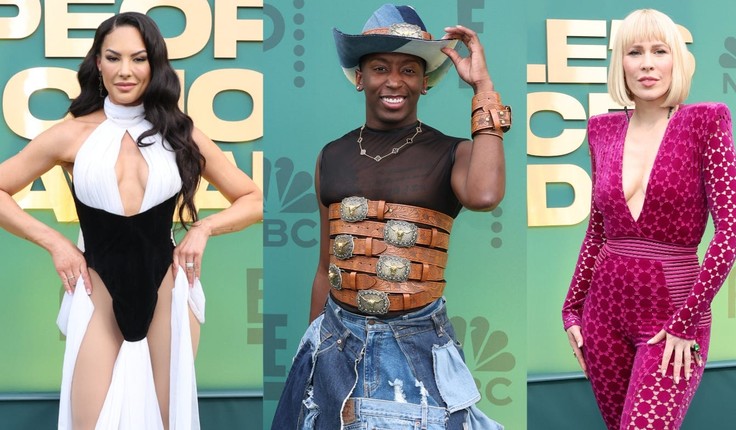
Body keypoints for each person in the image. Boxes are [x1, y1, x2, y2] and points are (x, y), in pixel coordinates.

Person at [0, 12, 262, 430]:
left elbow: (253, 198)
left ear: (154, 65)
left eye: (138, 59)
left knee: (167, 421)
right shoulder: (71, 135)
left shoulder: (181, 134)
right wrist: (57, 243)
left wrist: (202, 229)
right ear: (97, 64)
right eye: (113, 57)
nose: (125, 70)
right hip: (97, 286)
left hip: (170, 288)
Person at [272, 4, 510, 429]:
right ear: (360, 78)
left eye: (409, 70)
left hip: (416, 344)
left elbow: (486, 194)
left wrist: (483, 89)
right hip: (337, 341)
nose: (394, 81)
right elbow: (326, 268)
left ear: (425, 82)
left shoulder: (453, 152)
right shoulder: (332, 155)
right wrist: (314, 350)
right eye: (380, 68)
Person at [561, 8, 736, 430]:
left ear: (676, 60)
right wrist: (571, 309)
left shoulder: (706, 122)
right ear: (621, 64)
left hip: (672, 319)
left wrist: (686, 321)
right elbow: (598, 229)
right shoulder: (601, 130)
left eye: (660, 50)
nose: (647, 63)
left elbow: (733, 228)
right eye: (634, 52)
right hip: (603, 315)